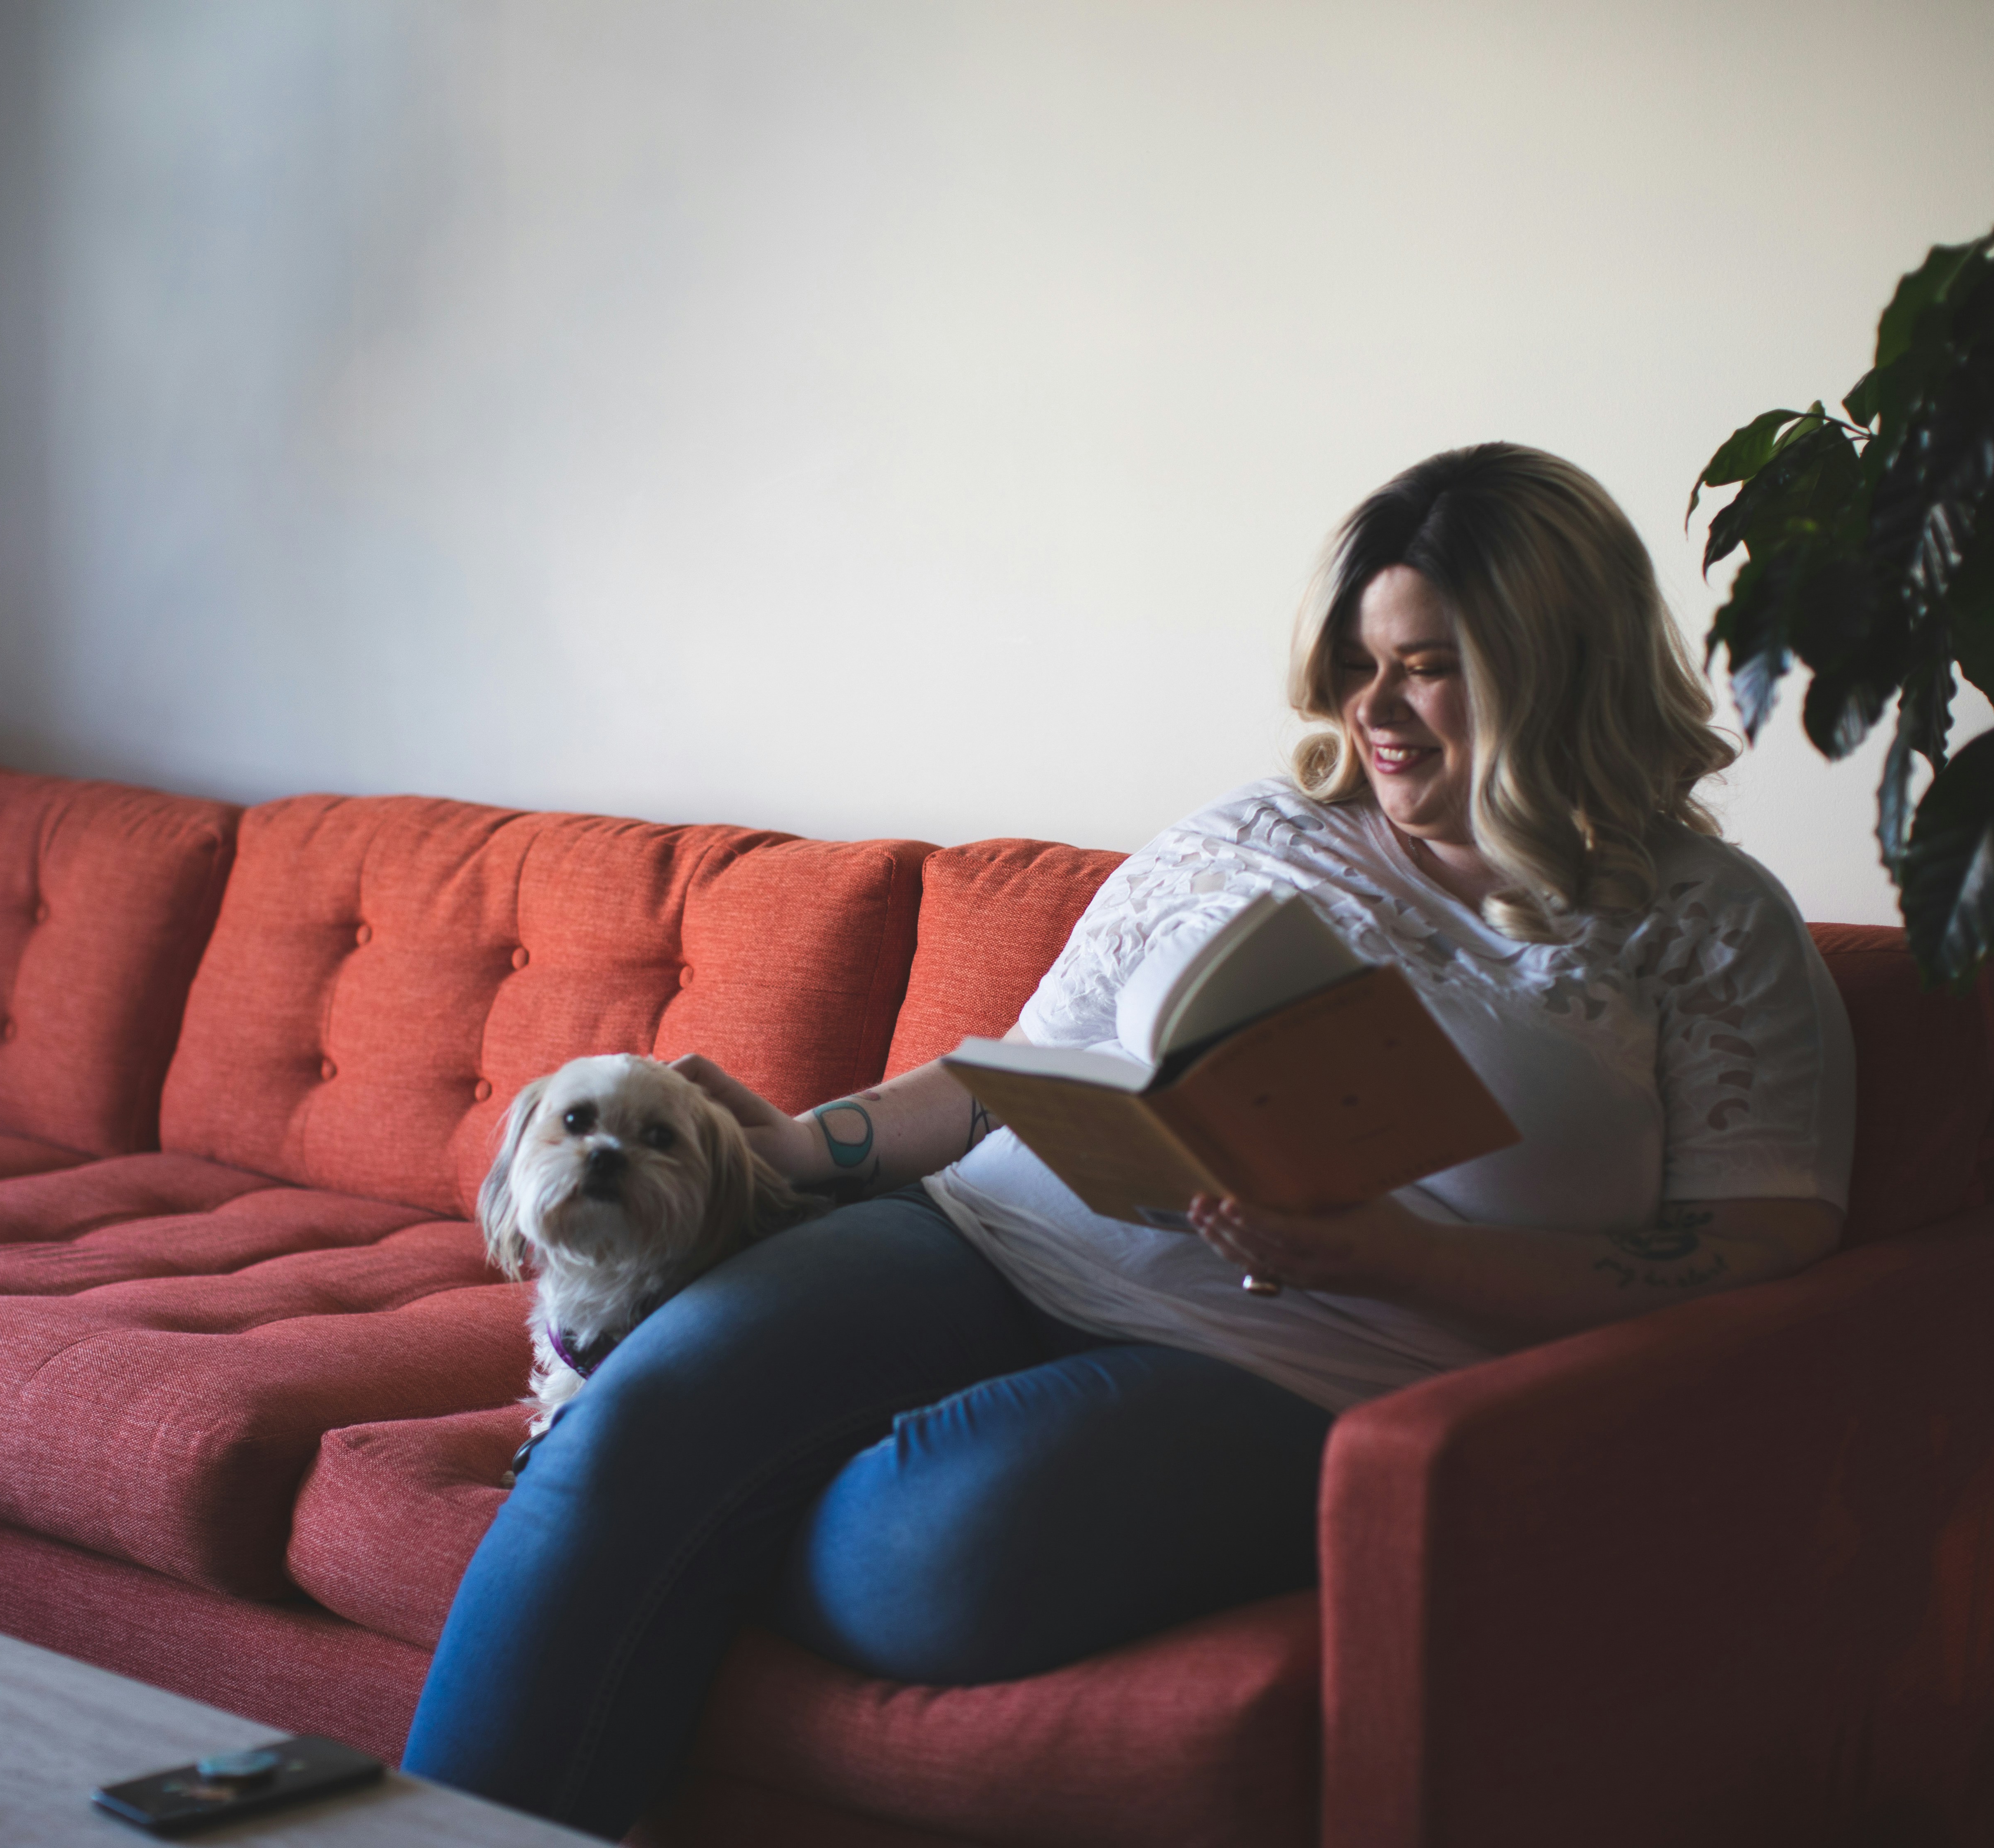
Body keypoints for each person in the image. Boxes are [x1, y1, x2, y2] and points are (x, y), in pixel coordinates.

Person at [399, 442, 1857, 1839]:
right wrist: (792, 1152)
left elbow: (1758, 1243)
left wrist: (1402, 1255)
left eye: (1430, 668)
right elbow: (1012, 1077)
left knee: (915, 1559)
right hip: (985, 1234)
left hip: (1302, 1364)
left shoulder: (1711, 926)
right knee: (638, 1416)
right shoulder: (1252, 831)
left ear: (1561, 666)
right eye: (1360, 666)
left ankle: (669, 1537)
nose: (1380, 713)